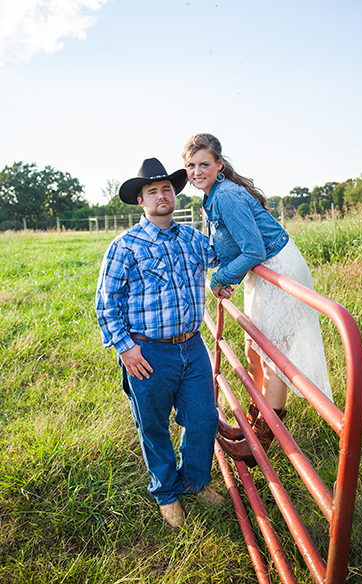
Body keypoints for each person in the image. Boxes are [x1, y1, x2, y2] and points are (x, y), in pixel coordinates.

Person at [182, 133, 334, 467]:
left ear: (219, 165)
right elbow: (237, 246)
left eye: (204, 164)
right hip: (262, 269)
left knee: (272, 354)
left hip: (277, 267)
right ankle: (254, 423)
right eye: (190, 165)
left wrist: (221, 278)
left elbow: (254, 248)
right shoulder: (213, 197)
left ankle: (262, 442)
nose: (196, 171)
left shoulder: (226, 196)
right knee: (258, 347)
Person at [95, 158, 227, 529]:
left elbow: (221, 257)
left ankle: (196, 482)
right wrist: (125, 347)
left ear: (175, 194)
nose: (161, 195)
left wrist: (226, 273)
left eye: (166, 188)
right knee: (153, 424)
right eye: (152, 191)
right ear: (141, 201)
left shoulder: (190, 238)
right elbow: (106, 301)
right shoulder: (126, 246)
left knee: (203, 417)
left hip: (193, 344)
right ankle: (166, 493)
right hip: (148, 350)